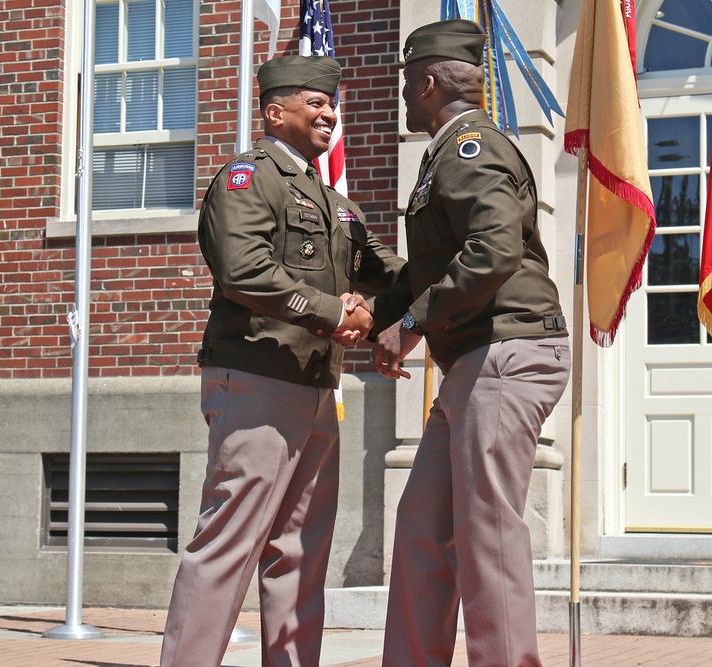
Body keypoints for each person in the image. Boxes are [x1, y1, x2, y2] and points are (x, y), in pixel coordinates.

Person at [160, 54, 405, 667]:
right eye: (315, 104)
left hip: (318, 388)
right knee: (227, 544)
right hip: (256, 380)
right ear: (275, 111)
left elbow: (388, 276)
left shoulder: (334, 203)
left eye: (332, 103)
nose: (330, 113)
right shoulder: (248, 178)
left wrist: (435, 300)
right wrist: (336, 312)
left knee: (301, 549)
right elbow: (243, 271)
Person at [370, 19, 571, 667]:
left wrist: (411, 323)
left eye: (406, 83)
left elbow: (493, 251)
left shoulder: (472, 150)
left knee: (486, 527)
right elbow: (433, 264)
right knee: (424, 526)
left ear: (427, 83)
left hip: (507, 352)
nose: (402, 96)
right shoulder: (447, 154)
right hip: (472, 360)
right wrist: (382, 312)